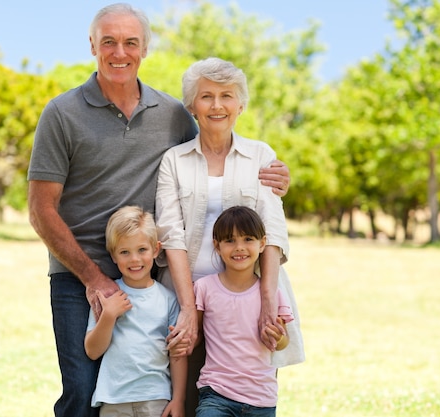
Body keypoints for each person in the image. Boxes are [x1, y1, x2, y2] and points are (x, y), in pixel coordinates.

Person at [27, 4, 291, 416]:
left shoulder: (171, 115)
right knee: (83, 390)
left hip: (151, 277)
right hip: (81, 274)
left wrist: (278, 179)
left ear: (145, 48)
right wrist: (95, 279)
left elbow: (215, 150)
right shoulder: (61, 113)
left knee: (162, 388)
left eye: (131, 42)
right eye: (109, 41)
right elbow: (41, 210)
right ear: (92, 45)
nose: (119, 52)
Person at [155, 57, 305, 416]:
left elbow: (273, 230)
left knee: (247, 394)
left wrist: (268, 298)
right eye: (206, 96)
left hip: (248, 298)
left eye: (227, 96)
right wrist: (189, 308)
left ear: (241, 105)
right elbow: (172, 235)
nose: (217, 105)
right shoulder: (173, 161)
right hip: (186, 291)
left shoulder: (261, 155)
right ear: (192, 106)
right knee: (190, 398)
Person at [84, 206, 187, 417]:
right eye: (124, 252)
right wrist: (109, 316)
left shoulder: (168, 299)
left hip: (155, 398)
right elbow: (92, 351)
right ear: (113, 255)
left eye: (142, 250)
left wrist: (178, 399)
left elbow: (177, 354)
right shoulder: (107, 295)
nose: (134, 259)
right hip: (114, 400)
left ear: (156, 250)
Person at [193, 206, 293, 417]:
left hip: (261, 398)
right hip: (216, 394)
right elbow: (197, 334)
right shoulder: (204, 288)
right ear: (217, 246)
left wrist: (278, 337)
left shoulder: (272, 293)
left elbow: (283, 342)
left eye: (248, 239)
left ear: (262, 243)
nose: (239, 247)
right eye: (230, 240)